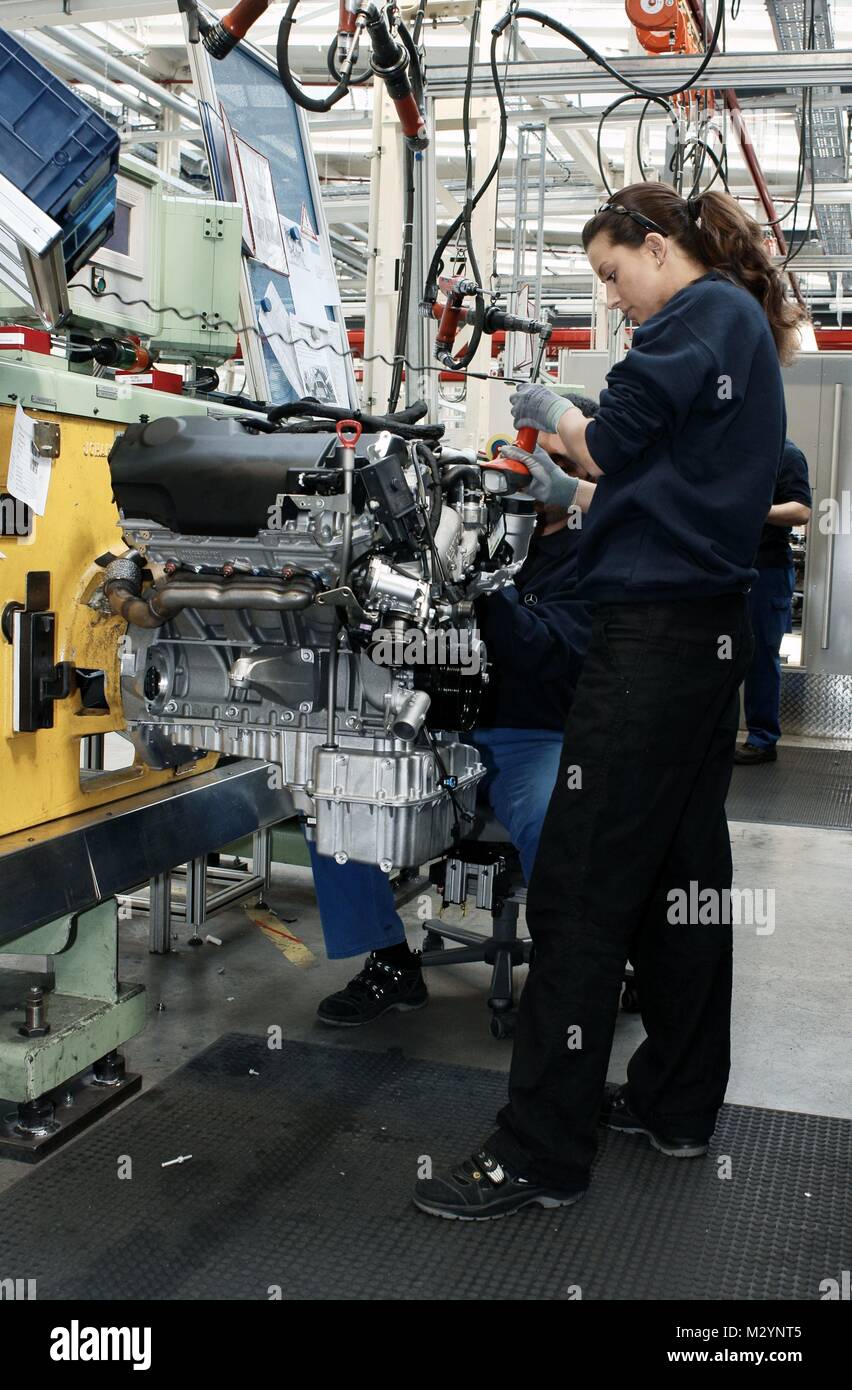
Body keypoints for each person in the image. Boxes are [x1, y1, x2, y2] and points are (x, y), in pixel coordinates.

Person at [413, 183, 804, 1221]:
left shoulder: (702, 311)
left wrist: (551, 418)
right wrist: (576, 500)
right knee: (686, 873)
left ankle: (540, 1148)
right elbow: (657, 481)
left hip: (653, 642)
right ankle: (678, 1103)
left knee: (582, 889)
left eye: (611, 274)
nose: (613, 300)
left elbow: (610, 442)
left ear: (658, 244)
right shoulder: (728, 323)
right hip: (698, 632)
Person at [307, 405, 597, 1025]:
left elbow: (554, 657)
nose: (529, 473)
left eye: (554, 464)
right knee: (337, 801)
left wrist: (486, 591)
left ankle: (565, 975)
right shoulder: (458, 530)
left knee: (558, 818)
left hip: (532, 735)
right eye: (522, 460)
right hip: (440, 730)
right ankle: (389, 962)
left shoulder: (591, 556)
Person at [735, 439, 811, 765]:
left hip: (766, 570)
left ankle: (762, 739)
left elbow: (801, 510)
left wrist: (759, 510)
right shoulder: (732, 450)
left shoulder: (787, 454)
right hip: (728, 568)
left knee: (761, 656)